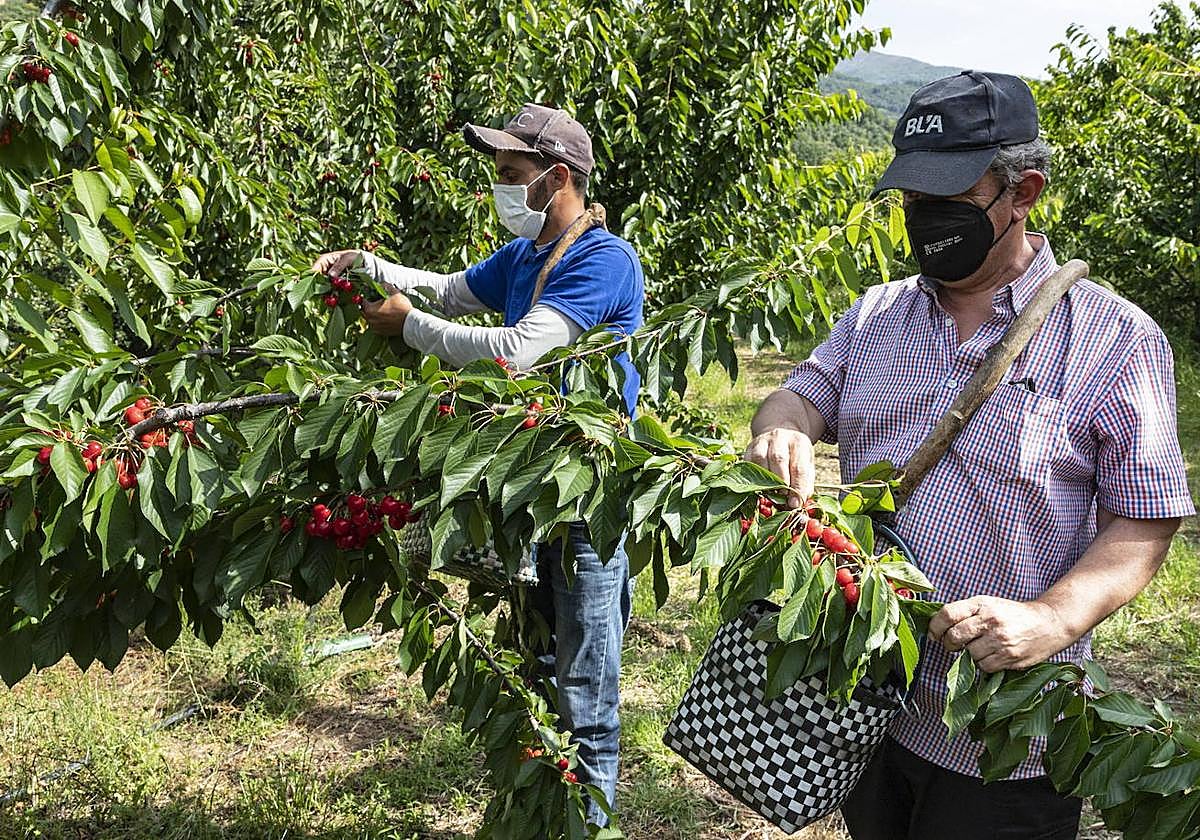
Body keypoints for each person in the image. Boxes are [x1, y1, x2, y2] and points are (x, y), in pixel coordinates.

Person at [745, 71, 1195, 840]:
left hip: (1003, 734)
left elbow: (1144, 521)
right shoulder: (878, 313)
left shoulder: (1115, 340)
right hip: (867, 697)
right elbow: (800, 394)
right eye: (914, 203)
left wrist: (1050, 619)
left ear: (1024, 192)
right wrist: (779, 426)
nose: (925, 223)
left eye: (948, 201)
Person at [312, 103, 643, 827]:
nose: (499, 187)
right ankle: (541, 818)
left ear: (556, 178)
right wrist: (367, 265)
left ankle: (588, 823)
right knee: (540, 669)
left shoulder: (604, 260)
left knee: (586, 690)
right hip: (531, 488)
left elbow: (519, 350)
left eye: (509, 175)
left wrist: (411, 328)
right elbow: (452, 288)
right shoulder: (524, 257)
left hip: (589, 499)